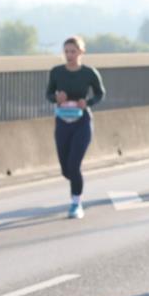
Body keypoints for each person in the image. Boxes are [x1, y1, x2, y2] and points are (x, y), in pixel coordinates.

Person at [45, 36, 106, 219]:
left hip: (82, 122)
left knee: (74, 165)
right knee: (66, 169)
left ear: (81, 52)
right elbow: (48, 93)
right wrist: (57, 98)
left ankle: (76, 204)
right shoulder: (56, 72)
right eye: (66, 51)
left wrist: (87, 102)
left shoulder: (89, 73)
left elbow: (100, 93)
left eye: (73, 51)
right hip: (63, 122)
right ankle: (77, 183)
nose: (69, 55)